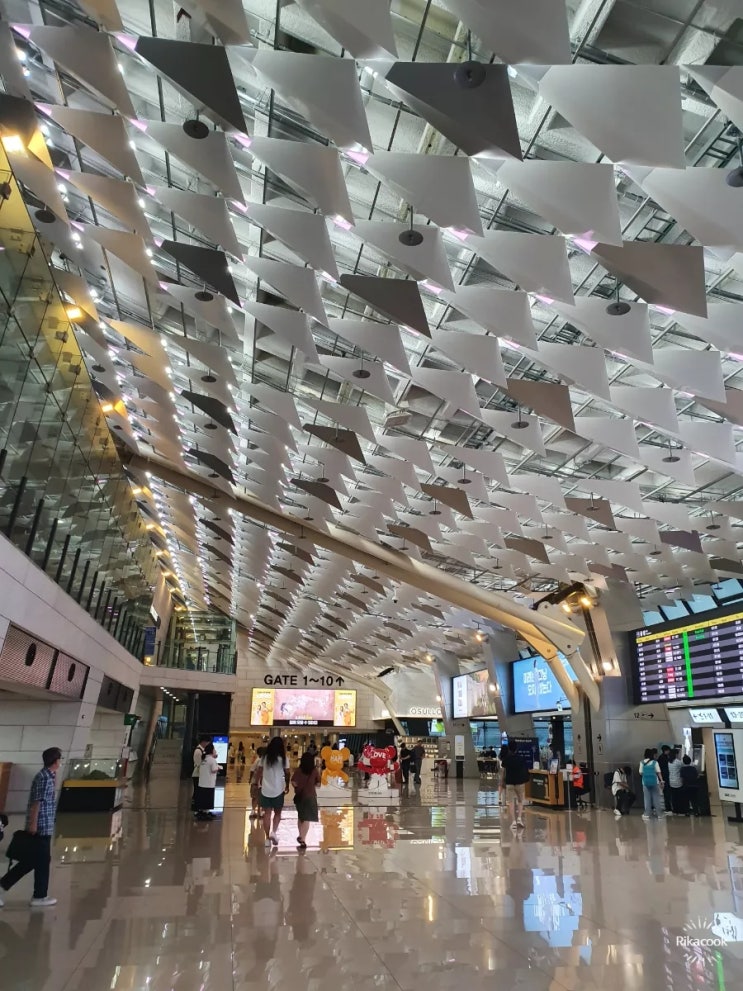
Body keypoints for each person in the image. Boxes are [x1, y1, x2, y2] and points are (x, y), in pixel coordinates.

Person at [0, 747, 62, 907]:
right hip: (40, 827)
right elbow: (37, 803)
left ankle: (39, 895)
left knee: (37, 861)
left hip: (45, 826)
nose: (60, 762)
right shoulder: (44, 777)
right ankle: (38, 896)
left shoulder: (49, 775)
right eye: (59, 759)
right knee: (35, 861)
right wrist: (33, 824)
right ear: (55, 761)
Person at [256, 736, 289, 848]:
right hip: (279, 790)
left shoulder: (264, 758)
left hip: (265, 789)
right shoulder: (284, 758)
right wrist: (287, 785)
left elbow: (259, 771)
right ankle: (273, 832)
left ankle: (267, 839)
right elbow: (287, 773)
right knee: (277, 813)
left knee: (267, 814)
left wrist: (257, 783)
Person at [292, 752, 321, 849]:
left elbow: (293, 782)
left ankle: (301, 835)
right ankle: (302, 838)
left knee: (301, 817)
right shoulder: (314, 771)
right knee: (307, 818)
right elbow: (318, 784)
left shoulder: (298, 770)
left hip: (300, 797)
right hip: (310, 796)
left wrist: (298, 787)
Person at [502, 740, 530, 829]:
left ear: (509, 749)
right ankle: (519, 819)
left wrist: (503, 782)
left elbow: (504, 771)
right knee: (520, 800)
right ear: (516, 748)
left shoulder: (506, 759)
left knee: (510, 802)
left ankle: (513, 822)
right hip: (520, 782)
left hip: (509, 782)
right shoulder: (521, 759)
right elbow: (525, 770)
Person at [195, 743, 219, 819]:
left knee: (203, 798)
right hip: (209, 783)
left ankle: (202, 811)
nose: (215, 751)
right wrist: (218, 768)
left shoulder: (204, 759)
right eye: (214, 749)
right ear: (211, 750)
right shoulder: (212, 760)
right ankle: (206, 812)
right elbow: (214, 770)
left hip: (202, 782)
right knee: (208, 798)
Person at [639, 747, 663, 820]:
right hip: (655, 782)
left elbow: (640, 772)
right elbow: (659, 772)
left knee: (647, 799)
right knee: (656, 798)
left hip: (645, 783)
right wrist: (661, 781)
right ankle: (659, 815)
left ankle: (647, 814)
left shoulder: (642, 762)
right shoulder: (655, 762)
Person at [192, 736, 210, 810]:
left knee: (199, 791)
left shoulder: (203, 750)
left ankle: (198, 806)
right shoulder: (198, 751)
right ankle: (195, 807)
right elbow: (198, 764)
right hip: (197, 775)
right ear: (203, 742)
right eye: (207, 742)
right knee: (197, 791)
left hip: (201, 774)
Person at [248, 746, 265, 819]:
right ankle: (259, 811)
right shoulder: (260, 761)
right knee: (259, 797)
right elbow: (252, 770)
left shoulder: (258, 760)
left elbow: (252, 770)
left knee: (255, 797)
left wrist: (250, 779)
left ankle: (254, 811)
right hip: (259, 782)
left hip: (257, 782)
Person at [657, 745, 673, 816]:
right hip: (665, 778)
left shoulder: (661, 758)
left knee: (666, 793)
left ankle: (668, 808)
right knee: (667, 793)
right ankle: (668, 808)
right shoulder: (664, 758)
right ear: (666, 750)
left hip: (664, 778)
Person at [668, 748, 684, 814]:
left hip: (671, 781)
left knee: (673, 797)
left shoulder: (669, 762)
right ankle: (680, 810)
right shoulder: (678, 762)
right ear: (676, 754)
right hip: (678, 781)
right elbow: (683, 767)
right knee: (679, 797)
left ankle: (675, 810)